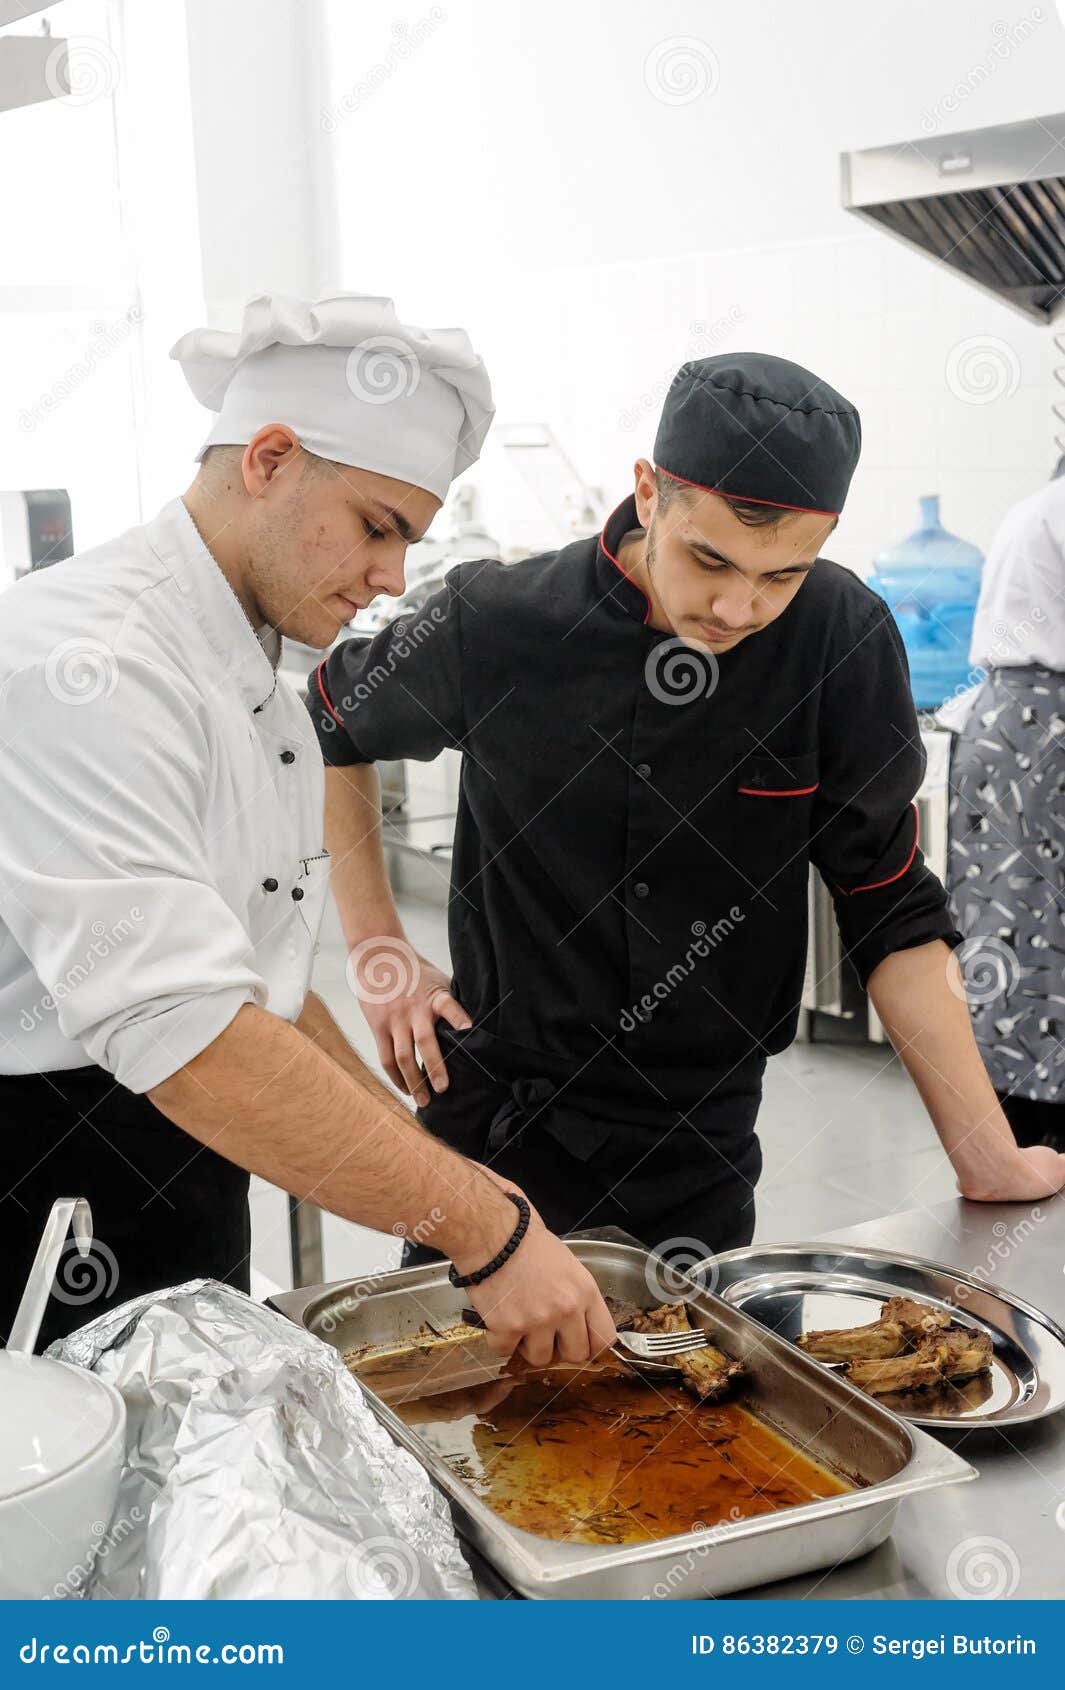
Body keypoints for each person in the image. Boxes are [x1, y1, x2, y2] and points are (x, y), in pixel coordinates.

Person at [311, 352, 1065, 1267]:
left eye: (781, 575)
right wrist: (377, 951)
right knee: (466, 1390)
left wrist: (983, 1155)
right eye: (708, 558)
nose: (736, 606)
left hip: (702, 1135)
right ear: (647, 494)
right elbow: (327, 727)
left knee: (682, 1395)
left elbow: (891, 904)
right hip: (498, 1119)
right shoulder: (497, 621)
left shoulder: (838, 638)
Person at [0, 291, 615, 1361]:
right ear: (270, 458)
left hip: (184, 1171)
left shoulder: (258, 686)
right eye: (379, 528)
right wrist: (481, 1228)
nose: (394, 578)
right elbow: (188, 1035)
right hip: (50, 1200)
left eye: (410, 541)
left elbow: (261, 1002)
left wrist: (452, 1175)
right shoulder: (83, 664)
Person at [946, 473, 1065, 1153]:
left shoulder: (1032, 508)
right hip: (1041, 734)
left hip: (1005, 729)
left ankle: (1007, 1124)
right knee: (1033, 936)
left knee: (1005, 928)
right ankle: (1036, 1126)